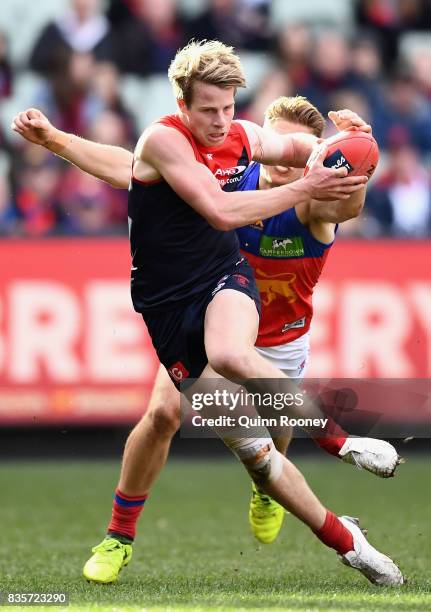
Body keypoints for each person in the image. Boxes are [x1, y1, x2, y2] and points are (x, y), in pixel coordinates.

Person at [12, 40, 403, 587]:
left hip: (274, 334)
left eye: (228, 109)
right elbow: (154, 178)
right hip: (198, 303)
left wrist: (354, 146)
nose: (222, 123)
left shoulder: (287, 179)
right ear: (182, 104)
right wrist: (56, 139)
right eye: (208, 110)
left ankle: (320, 488)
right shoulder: (196, 156)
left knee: (265, 446)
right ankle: (120, 535)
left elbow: (334, 182)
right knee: (171, 415)